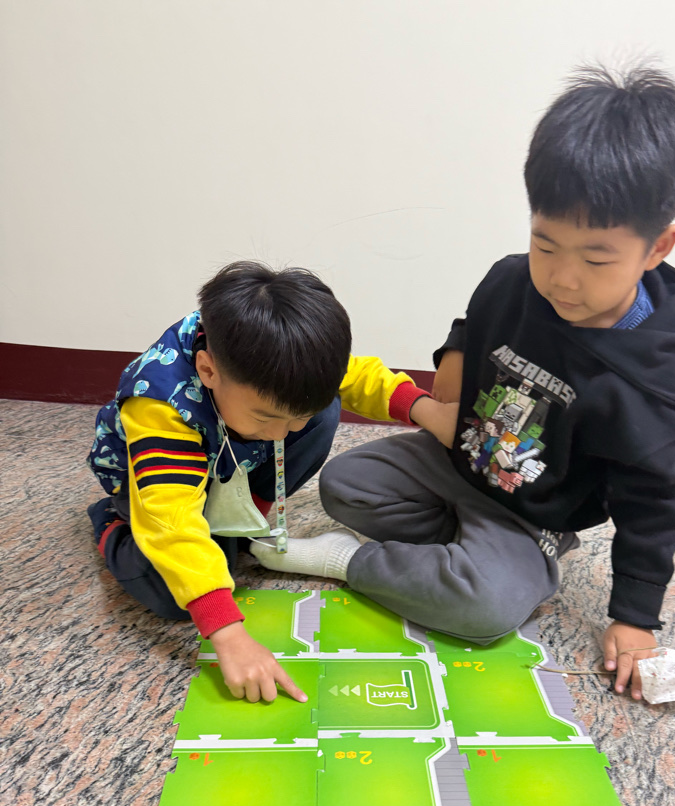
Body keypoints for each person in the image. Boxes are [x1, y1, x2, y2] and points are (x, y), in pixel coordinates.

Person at [251, 63, 675, 702]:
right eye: (545, 245)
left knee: (486, 609)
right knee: (344, 485)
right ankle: (466, 551)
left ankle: (355, 561)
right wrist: (454, 351)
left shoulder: (645, 386)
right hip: (461, 460)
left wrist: (635, 617)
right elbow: (481, 318)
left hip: (534, 512)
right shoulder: (513, 277)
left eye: (596, 258)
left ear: (658, 247)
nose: (562, 279)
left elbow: (654, 503)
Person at [87, 261, 434, 702]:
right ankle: (111, 523)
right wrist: (229, 635)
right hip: (154, 483)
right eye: (265, 417)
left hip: (228, 454)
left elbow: (356, 376)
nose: (281, 434)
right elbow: (170, 521)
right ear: (208, 370)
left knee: (321, 410)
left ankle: (244, 525)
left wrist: (425, 409)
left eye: (291, 420)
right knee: (175, 597)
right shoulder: (160, 405)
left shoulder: (284, 359)